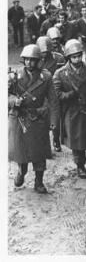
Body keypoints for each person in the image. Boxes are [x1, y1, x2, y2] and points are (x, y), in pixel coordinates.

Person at [8, 45, 59, 193]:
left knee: (39, 153)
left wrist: (54, 122)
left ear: (39, 61)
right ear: (23, 60)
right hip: (20, 119)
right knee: (21, 152)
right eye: (27, 60)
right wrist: (13, 101)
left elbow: (53, 100)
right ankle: (21, 171)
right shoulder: (14, 76)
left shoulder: (46, 77)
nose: (30, 63)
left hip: (38, 118)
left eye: (33, 60)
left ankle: (39, 181)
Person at [52, 39, 86, 178]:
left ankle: (81, 163)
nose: (77, 59)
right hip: (72, 111)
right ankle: (80, 166)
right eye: (74, 57)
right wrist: (70, 94)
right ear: (68, 57)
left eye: (79, 55)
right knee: (76, 140)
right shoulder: (60, 73)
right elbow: (57, 94)